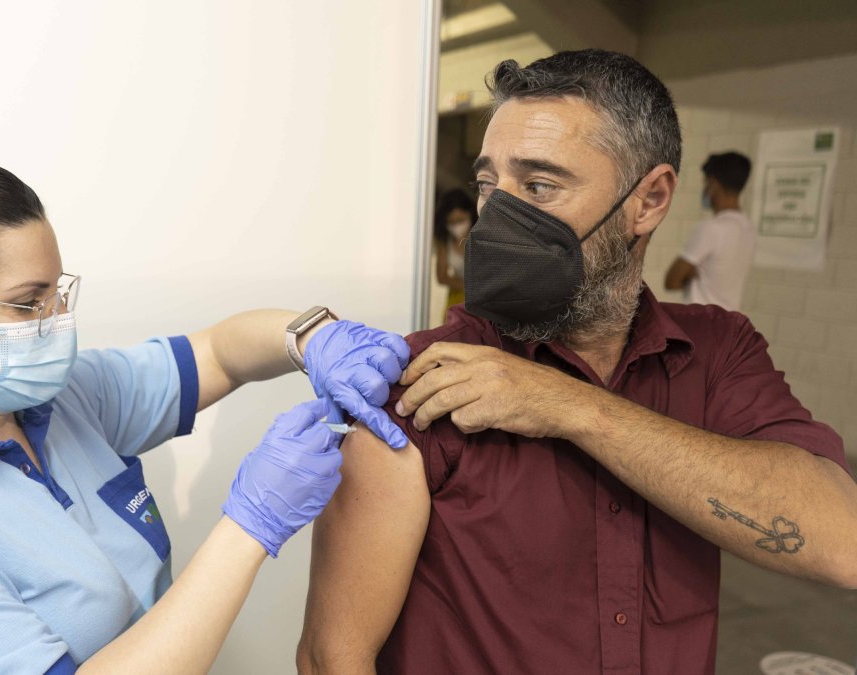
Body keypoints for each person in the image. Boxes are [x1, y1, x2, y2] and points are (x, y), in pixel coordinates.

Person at [0, 149, 412, 674]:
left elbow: (218, 354)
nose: (57, 323)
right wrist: (250, 525)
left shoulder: (54, 402)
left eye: (57, 292)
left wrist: (311, 335)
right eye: (26, 302)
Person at [298, 50, 857, 675]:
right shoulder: (426, 381)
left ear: (648, 200)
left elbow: (840, 542)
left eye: (539, 186)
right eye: (489, 185)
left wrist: (569, 405)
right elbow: (333, 656)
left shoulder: (717, 352)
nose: (493, 220)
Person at [664, 151, 755, 310]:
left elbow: (672, 281)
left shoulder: (711, 229)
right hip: (729, 325)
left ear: (713, 184)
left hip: (701, 325)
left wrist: (692, 272)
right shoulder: (748, 228)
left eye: (705, 182)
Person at [433, 189, 478, 308]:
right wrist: (474, 288)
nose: (456, 226)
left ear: (470, 214)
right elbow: (442, 277)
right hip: (458, 298)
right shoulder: (444, 240)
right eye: (451, 222)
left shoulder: (483, 236)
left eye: (460, 220)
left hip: (484, 299)